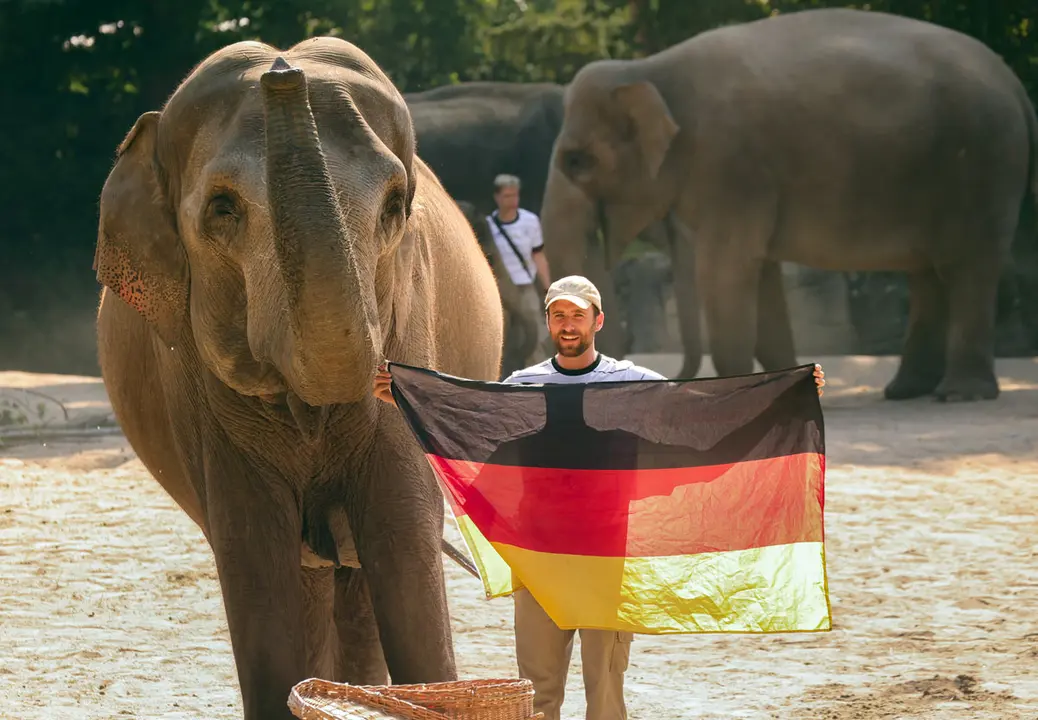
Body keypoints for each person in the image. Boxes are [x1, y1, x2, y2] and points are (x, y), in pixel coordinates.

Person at [373, 275, 826, 720]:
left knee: (605, 689)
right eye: (558, 316)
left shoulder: (633, 382)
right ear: (548, 322)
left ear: (598, 321)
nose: (568, 325)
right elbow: (465, 419)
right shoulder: (523, 386)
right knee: (537, 693)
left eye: (577, 315)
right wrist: (408, 399)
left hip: (607, 557)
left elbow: (704, 415)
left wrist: (789, 397)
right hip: (539, 558)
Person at [487, 174, 552, 365]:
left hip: (524, 285)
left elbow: (538, 255)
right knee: (500, 336)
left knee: (535, 335)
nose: (512, 201)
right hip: (500, 289)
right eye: (507, 196)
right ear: (497, 198)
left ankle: (538, 378)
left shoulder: (530, 221)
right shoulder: (489, 225)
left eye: (515, 196)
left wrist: (547, 286)